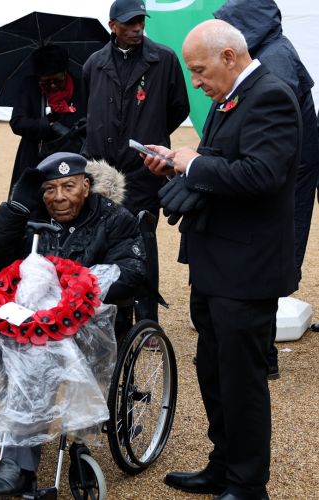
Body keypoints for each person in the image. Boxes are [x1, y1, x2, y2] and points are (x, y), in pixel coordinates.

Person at [0, 152, 146, 495]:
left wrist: (71, 289)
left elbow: (132, 274)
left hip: (80, 325)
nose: (59, 198)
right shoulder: (29, 213)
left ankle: (18, 465)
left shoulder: (116, 219)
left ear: (86, 186)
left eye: (69, 187)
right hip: (19, 317)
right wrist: (15, 209)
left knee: (35, 354)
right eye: (49, 189)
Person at [141, 20, 300, 500]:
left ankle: (248, 484)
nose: (195, 80)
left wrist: (195, 164)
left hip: (245, 271)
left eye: (199, 69)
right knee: (213, 371)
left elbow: (262, 175)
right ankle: (223, 464)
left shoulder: (271, 95)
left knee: (241, 379)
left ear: (229, 56)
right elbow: (223, 162)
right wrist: (177, 160)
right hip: (216, 262)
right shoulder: (230, 98)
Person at [215, 0, 319, 379]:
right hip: (292, 169)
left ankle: (264, 355)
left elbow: (269, 136)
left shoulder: (273, 60)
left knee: (269, 253)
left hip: (287, 175)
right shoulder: (272, 47)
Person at [81, 0, 189, 217]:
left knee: (142, 239)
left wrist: (151, 130)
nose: (137, 27)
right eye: (129, 22)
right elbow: (88, 112)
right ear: (112, 25)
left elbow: (179, 108)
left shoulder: (164, 60)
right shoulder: (94, 64)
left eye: (140, 20)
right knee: (100, 240)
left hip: (144, 171)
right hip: (102, 173)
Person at [9, 44, 88, 193]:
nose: (52, 85)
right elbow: (17, 123)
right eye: (45, 82)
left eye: (57, 80)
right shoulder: (29, 86)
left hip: (72, 155)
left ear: (65, 73)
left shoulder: (81, 87)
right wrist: (47, 125)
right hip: (35, 156)